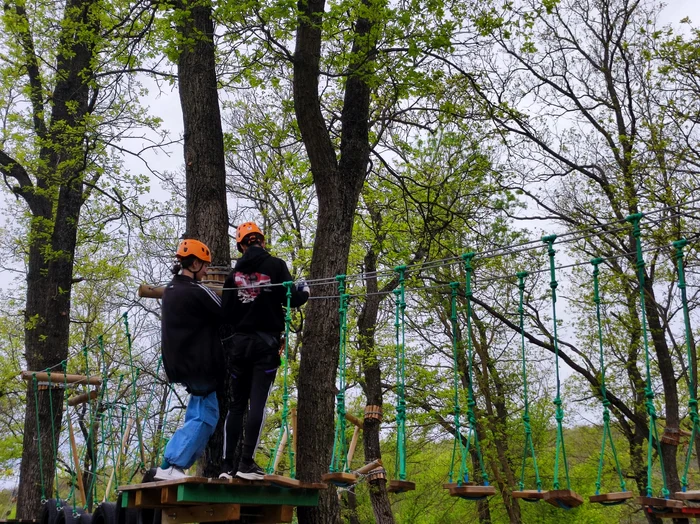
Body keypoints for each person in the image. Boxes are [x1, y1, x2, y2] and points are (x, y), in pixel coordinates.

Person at [219, 222, 309, 480]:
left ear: (241, 246)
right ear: (262, 241)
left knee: (237, 405)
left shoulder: (232, 276)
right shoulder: (276, 266)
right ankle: (246, 464)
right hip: (265, 345)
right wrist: (305, 291)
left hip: (239, 346)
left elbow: (225, 313)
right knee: (257, 402)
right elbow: (292, 298)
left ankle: (226, 466)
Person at [154, 238, 225, 480]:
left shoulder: (171, 290)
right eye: (204, 265)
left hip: (179, 363)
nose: (207, 270)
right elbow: (226, 312)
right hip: (199, 363)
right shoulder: (197, 292)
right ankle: (173, 464)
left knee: (198, 413)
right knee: (207, 417)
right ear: (194, 264)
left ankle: (169, 465)